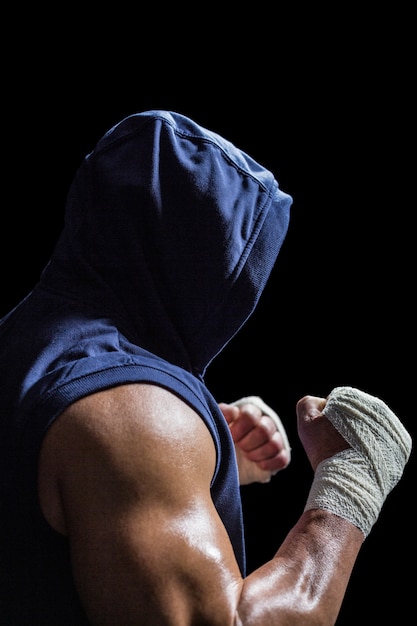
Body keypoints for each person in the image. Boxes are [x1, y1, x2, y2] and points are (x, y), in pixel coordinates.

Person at [0, 110, 411, 625]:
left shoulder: (25, 345)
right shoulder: (135, 414)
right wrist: (354, 479)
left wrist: (213, 467)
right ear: (211, 266)